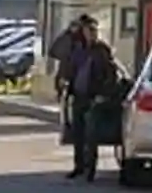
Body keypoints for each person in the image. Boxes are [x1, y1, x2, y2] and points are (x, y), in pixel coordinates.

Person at [68, 16, 125, 179]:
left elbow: (110, 75)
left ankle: (90, 169)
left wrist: (103, 95)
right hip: (79, 95)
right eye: (88, 30)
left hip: (94, 97)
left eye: (94, 31)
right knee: (77, 133)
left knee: (90, 134)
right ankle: (78, 166)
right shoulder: (78, 49)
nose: (91, 34)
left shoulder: (102, 50)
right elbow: (67, 61)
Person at [51, 16, 85, 149]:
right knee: (67, 111)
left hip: (80, 84)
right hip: (68, 80)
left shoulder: (87, 45)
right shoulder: (68, 40)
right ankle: (69, 134)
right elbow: (54, 51)